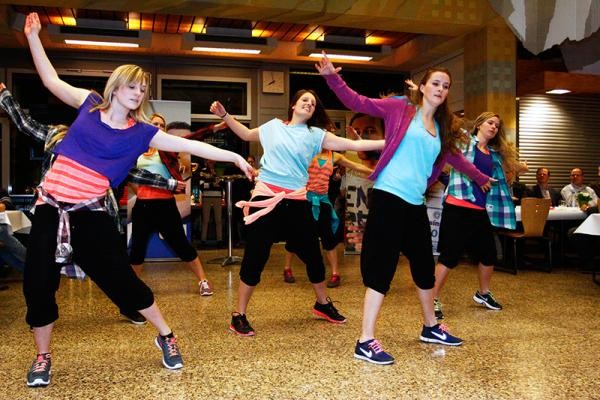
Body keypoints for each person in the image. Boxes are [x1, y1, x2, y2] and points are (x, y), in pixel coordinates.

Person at [22, 12, 253, 387]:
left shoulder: (142, 133)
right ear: (117, 86)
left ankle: (166, 335)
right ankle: (42, 356)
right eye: (134, 86)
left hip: (90, 214)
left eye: (143, 89)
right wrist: (34, 36)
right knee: (37, 285)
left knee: (123, 282)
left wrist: (236, 156)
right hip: (51, 207)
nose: (139, 93)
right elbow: (51, 80)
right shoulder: (89, 105)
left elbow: (188, 144)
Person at [316, 51, 493, 365]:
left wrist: (481, 178)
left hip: (414, 203)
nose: (440, 88)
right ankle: (365, 340)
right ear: (423, 87)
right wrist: (332, 76)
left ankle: (430, 327)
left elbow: (456, 159)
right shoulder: (401, 108)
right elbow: (359, 102)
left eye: (446, 85)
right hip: (389, 197)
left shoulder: (441, 127)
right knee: (381, 269)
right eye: (435, 83)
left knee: (424, 266)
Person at [0, 82, 185, 324]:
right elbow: (24, 123)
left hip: (92, 212)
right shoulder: (56, 137)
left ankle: (130, 306)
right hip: (55, 211)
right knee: (43, 273)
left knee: (112, 268)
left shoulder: (104, 145)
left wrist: (170, 185)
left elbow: (133, 174)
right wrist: (5, 96)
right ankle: (42, 316)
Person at [210, 88, 385, 337]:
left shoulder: (316, 135)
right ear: (293, 105)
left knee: (314, 256)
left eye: (313, 103)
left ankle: (322, 303)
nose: (309, 104)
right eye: (304, 100)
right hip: (266, 198)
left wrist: (388, 142)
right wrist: (225, 115)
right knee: (256, 257)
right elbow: (247, 134)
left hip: (297, 200)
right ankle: (238, 315)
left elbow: (352, 144)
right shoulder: (273, 127)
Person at [432, 112, 518, 321]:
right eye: (490, 123)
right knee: (449, 256)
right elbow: (449, 122)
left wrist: (515, 170)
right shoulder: (464, 143)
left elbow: (497, 180)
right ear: (479, 124)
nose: (494, 127)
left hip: (480, 210)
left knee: (488, 255)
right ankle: (432, 298)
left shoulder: (493, 154)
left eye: (497, 125)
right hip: (458, 206)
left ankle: (483, 293)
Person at [129, 118, 227, 296]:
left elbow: (191, 139)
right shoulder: (139, 149)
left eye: (160, 125)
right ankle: (133, 289)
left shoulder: (167, 149)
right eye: (154, 124)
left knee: (181, 245)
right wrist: (141, 191)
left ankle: (203, 281)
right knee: (137, 248)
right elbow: (132, 176)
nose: (157, 127)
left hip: (164, 205)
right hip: (142, 206)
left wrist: (214, 128)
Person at [282, 149, 373, 287]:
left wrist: (379, 171)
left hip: (323, 201)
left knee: (328, 237)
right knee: (295, 236)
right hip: (304, 200)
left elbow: (356, 166)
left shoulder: (334, 156)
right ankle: (287, 268)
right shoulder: (305, 150)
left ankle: (335, 273)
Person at [0, 188, 27, 274]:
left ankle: (31, 268)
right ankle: (32, 267)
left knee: (5, 249)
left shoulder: (3, 197)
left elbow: (4, 206)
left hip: (4, 227)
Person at [199, 159, 224, 244]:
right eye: (209, 162)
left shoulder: (219, 171)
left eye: (213, 162)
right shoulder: (203, 171)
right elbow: (201, 185)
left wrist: (216, 182)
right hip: (206, 196)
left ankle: (219, 240)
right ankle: (203, 240)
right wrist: (211, 184)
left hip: (217, 196)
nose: (211, 163)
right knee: (205, 219)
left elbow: (222, 184)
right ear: (206, 162)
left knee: (218, 219)